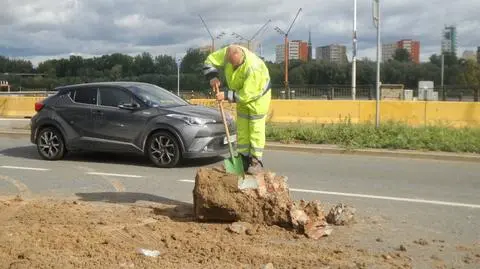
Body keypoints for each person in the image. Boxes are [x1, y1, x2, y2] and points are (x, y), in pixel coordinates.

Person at [202, 44, 271, 175]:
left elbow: (248, 94)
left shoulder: (254, 68)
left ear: (242, 57)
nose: (232, 67)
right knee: (243, 128)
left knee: (255, 129)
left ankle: (256, 162)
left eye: (236, 65)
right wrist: (213, 77)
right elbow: (209, 61)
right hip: (240, 95)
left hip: (257, 98)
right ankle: (244, 159)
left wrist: (226, 95)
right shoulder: (228, 53)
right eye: (230, 64)